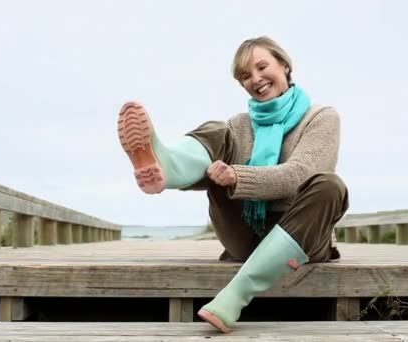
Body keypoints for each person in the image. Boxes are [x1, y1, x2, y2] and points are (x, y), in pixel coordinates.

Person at [117, 36, 349, 333]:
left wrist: (238, 176)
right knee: (218, 131)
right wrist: (214, 174)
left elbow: (299, 175)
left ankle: (236, 293)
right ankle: (167, 165)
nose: (256, 79)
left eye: (262, 66)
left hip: (301, 234)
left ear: (285, 65)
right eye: (245, 76)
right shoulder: (239, 125)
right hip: (246, 234)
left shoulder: (322, 117)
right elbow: (207, 173)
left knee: (331, 187)